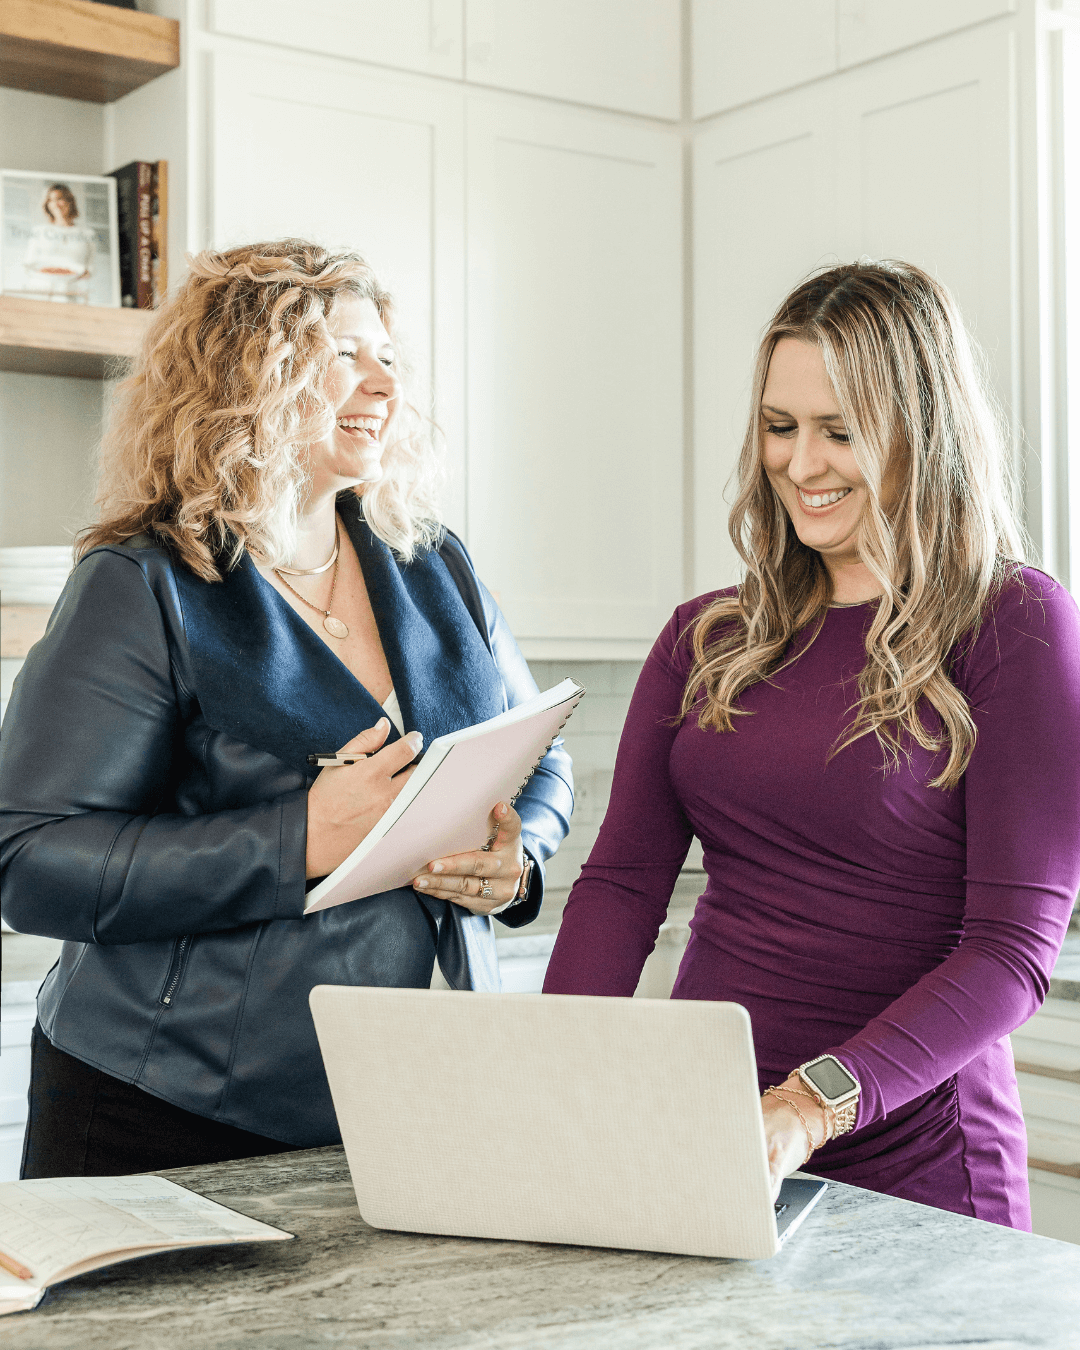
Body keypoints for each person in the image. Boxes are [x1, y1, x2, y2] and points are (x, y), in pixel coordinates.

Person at [0, 239, 573, 1178]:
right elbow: (30, 860)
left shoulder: (436, 565)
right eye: (344, 354)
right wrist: (293, 839)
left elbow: (537, 753)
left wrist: (519, 858)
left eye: (388, 356)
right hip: (162, 1103)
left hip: (412, 1093)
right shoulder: (143, 586)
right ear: (247, 377)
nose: (384, 383)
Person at [543, 260, 1080, 1229]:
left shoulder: (1013, 624)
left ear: (923, 436)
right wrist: (556, 1063)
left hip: (917, 1160)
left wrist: (808, 1104)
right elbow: (623, 885)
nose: (801, 464)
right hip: (709, 1134)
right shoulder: (706, 637)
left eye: (841, 432)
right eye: (780, 428)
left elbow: (1011, 953)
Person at [21, 184, 95, 303]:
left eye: (60, 199)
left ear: (70, 201)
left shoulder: (87, 234)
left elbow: (90, 268)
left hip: (72, 294)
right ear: (47, 205)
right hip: (40, 292)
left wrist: (76, 274)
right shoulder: (39, 231)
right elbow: (29, 263)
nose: (56, 204)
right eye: (51, 200)